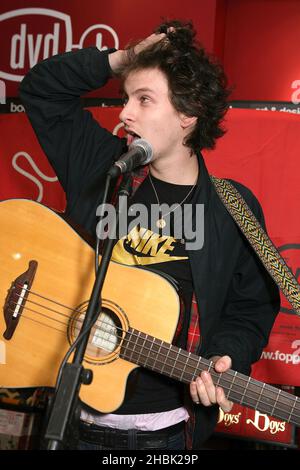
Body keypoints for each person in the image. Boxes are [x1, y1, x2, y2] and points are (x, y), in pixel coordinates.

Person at [19, 20, 280, 450]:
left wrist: (227, 355)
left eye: (144, 99)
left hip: (166, 436)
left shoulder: (234, 208)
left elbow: (252, 308)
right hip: (70, 421)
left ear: (187, 114)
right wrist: (122, 60)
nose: (124, 113)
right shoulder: (101, 167)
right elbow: (41, 89)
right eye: (126, 98)